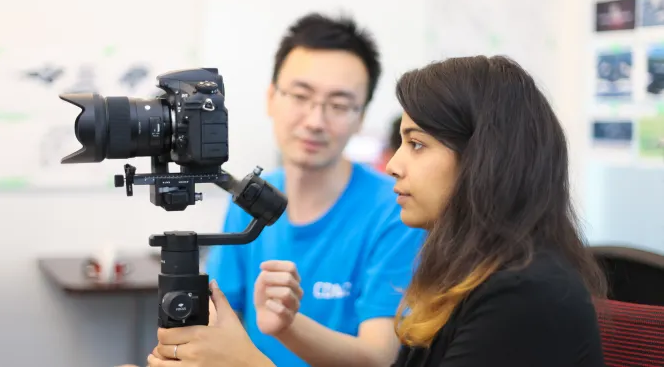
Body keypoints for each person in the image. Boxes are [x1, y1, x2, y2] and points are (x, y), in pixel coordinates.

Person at [144, 55, 608, 367]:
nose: (394, 165)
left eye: (417, 145)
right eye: (401, 143)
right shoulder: (466, 273)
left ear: (485, 160)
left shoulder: (526, 295)